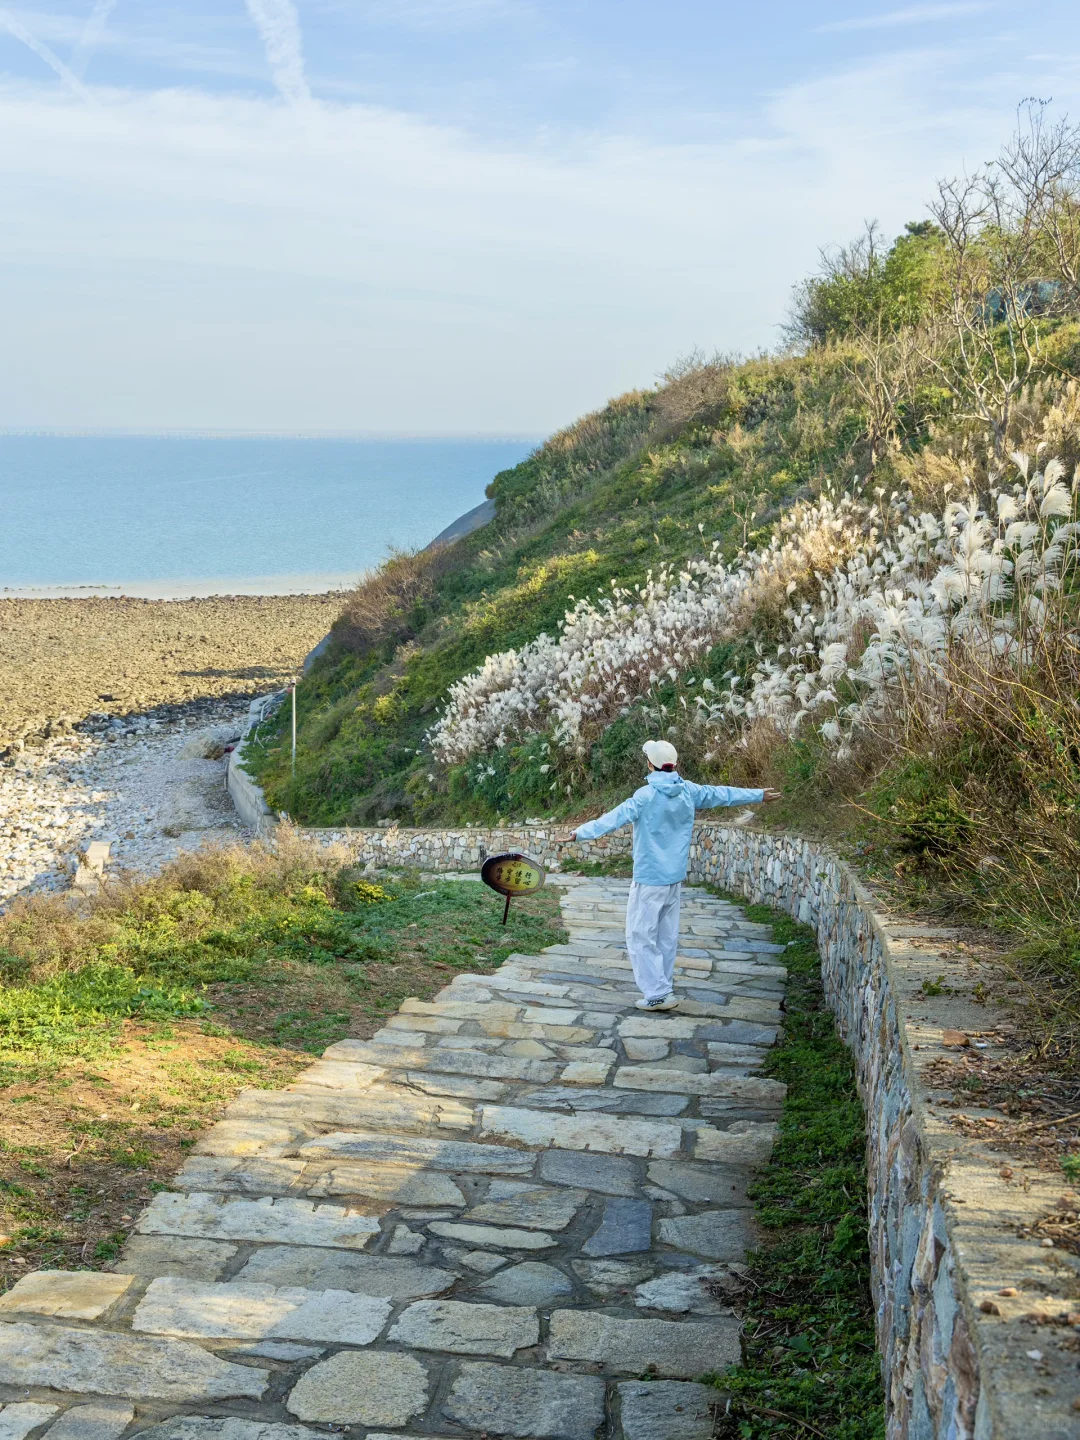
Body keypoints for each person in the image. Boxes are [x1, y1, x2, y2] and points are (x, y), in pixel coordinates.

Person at [563, 741, 779, 1011]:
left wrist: (580, 833)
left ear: (649, 764)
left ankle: (657, 994)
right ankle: (663, 988)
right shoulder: (689, 791)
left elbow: (613, 818)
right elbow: (723, 794)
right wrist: (758, 794)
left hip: (649, 877)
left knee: (640, 936)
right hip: (674, 877)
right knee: (665, 937)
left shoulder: (645, 795)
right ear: (674, 764)